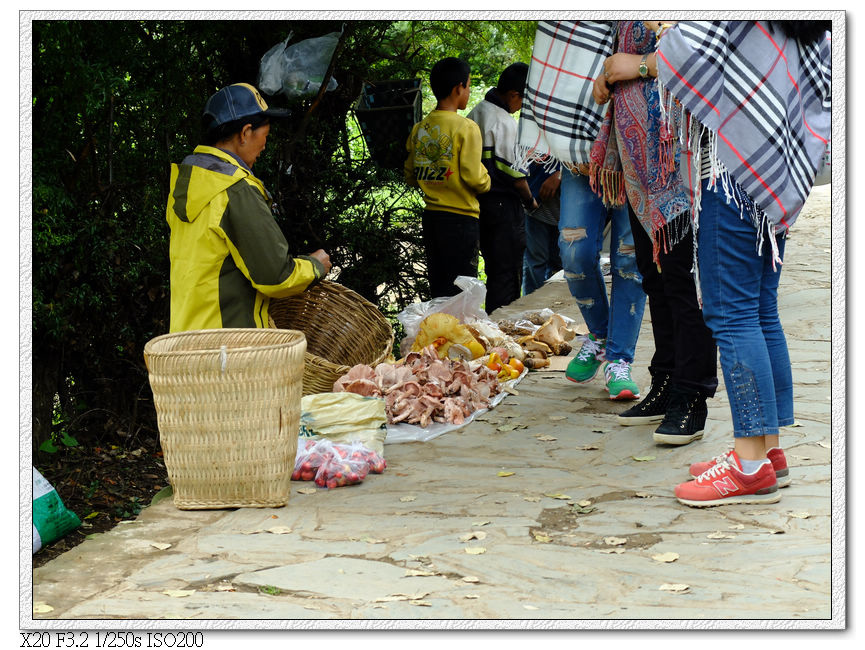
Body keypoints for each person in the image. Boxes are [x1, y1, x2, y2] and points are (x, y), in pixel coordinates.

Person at [651, 20, 831, 506]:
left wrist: (652, 38)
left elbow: (685, 48)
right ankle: (770, 455)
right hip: (770, 178)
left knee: (731, 316)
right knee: (759, 310)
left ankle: (748, 465)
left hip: (732, 176)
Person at [588, 21, 718, 444]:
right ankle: (665, 381)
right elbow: (622, 55)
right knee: (654, 273)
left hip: (677, 154)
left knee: (681, 278)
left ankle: (692, 394)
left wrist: (639, 66)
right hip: (639, 162)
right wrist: (608, 75)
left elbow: (705, 53)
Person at [515, 21, 645, 400]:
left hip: (636, 147)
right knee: (574, 253)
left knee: (629, 259)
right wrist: (567, 143)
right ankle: (602, 336)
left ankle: (620, 360)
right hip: (581, 156)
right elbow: (557, 61)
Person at [166, 83, 331, 333]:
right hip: (228, 350)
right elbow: (275, 277)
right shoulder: (234, 189)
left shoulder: (189, 183)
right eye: (265, 136)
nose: (265, 146)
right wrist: (315, 265)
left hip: (188, 342)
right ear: (245, 133)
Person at [404, 57, 491, 300]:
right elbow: (475, 178)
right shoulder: (466, 128)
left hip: (432, 219)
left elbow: (411, 176)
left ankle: (440, 335)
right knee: (462, 293)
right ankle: (459, 337)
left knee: (440, 290)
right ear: (458, 88)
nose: (469, 91)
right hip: (461, 220)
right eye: (469, 85)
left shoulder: (419, 128)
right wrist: (488, 179)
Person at [467, 62, 537, 315]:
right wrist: (530, 202)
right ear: (514, 95)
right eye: (524, 99)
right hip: (502, 207)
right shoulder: (503, 122)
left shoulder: (476, 112)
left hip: (478, 206)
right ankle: (503, 325)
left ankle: (492, 321)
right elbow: (516, 175)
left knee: (493, 269)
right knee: (506, 273)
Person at [522, 161, 563, 296]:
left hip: (565, 211)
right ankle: (534, 308)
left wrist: (561, 173)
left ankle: (557, 306)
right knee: (535, 265)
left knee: (562, 265)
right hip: (536, 209)